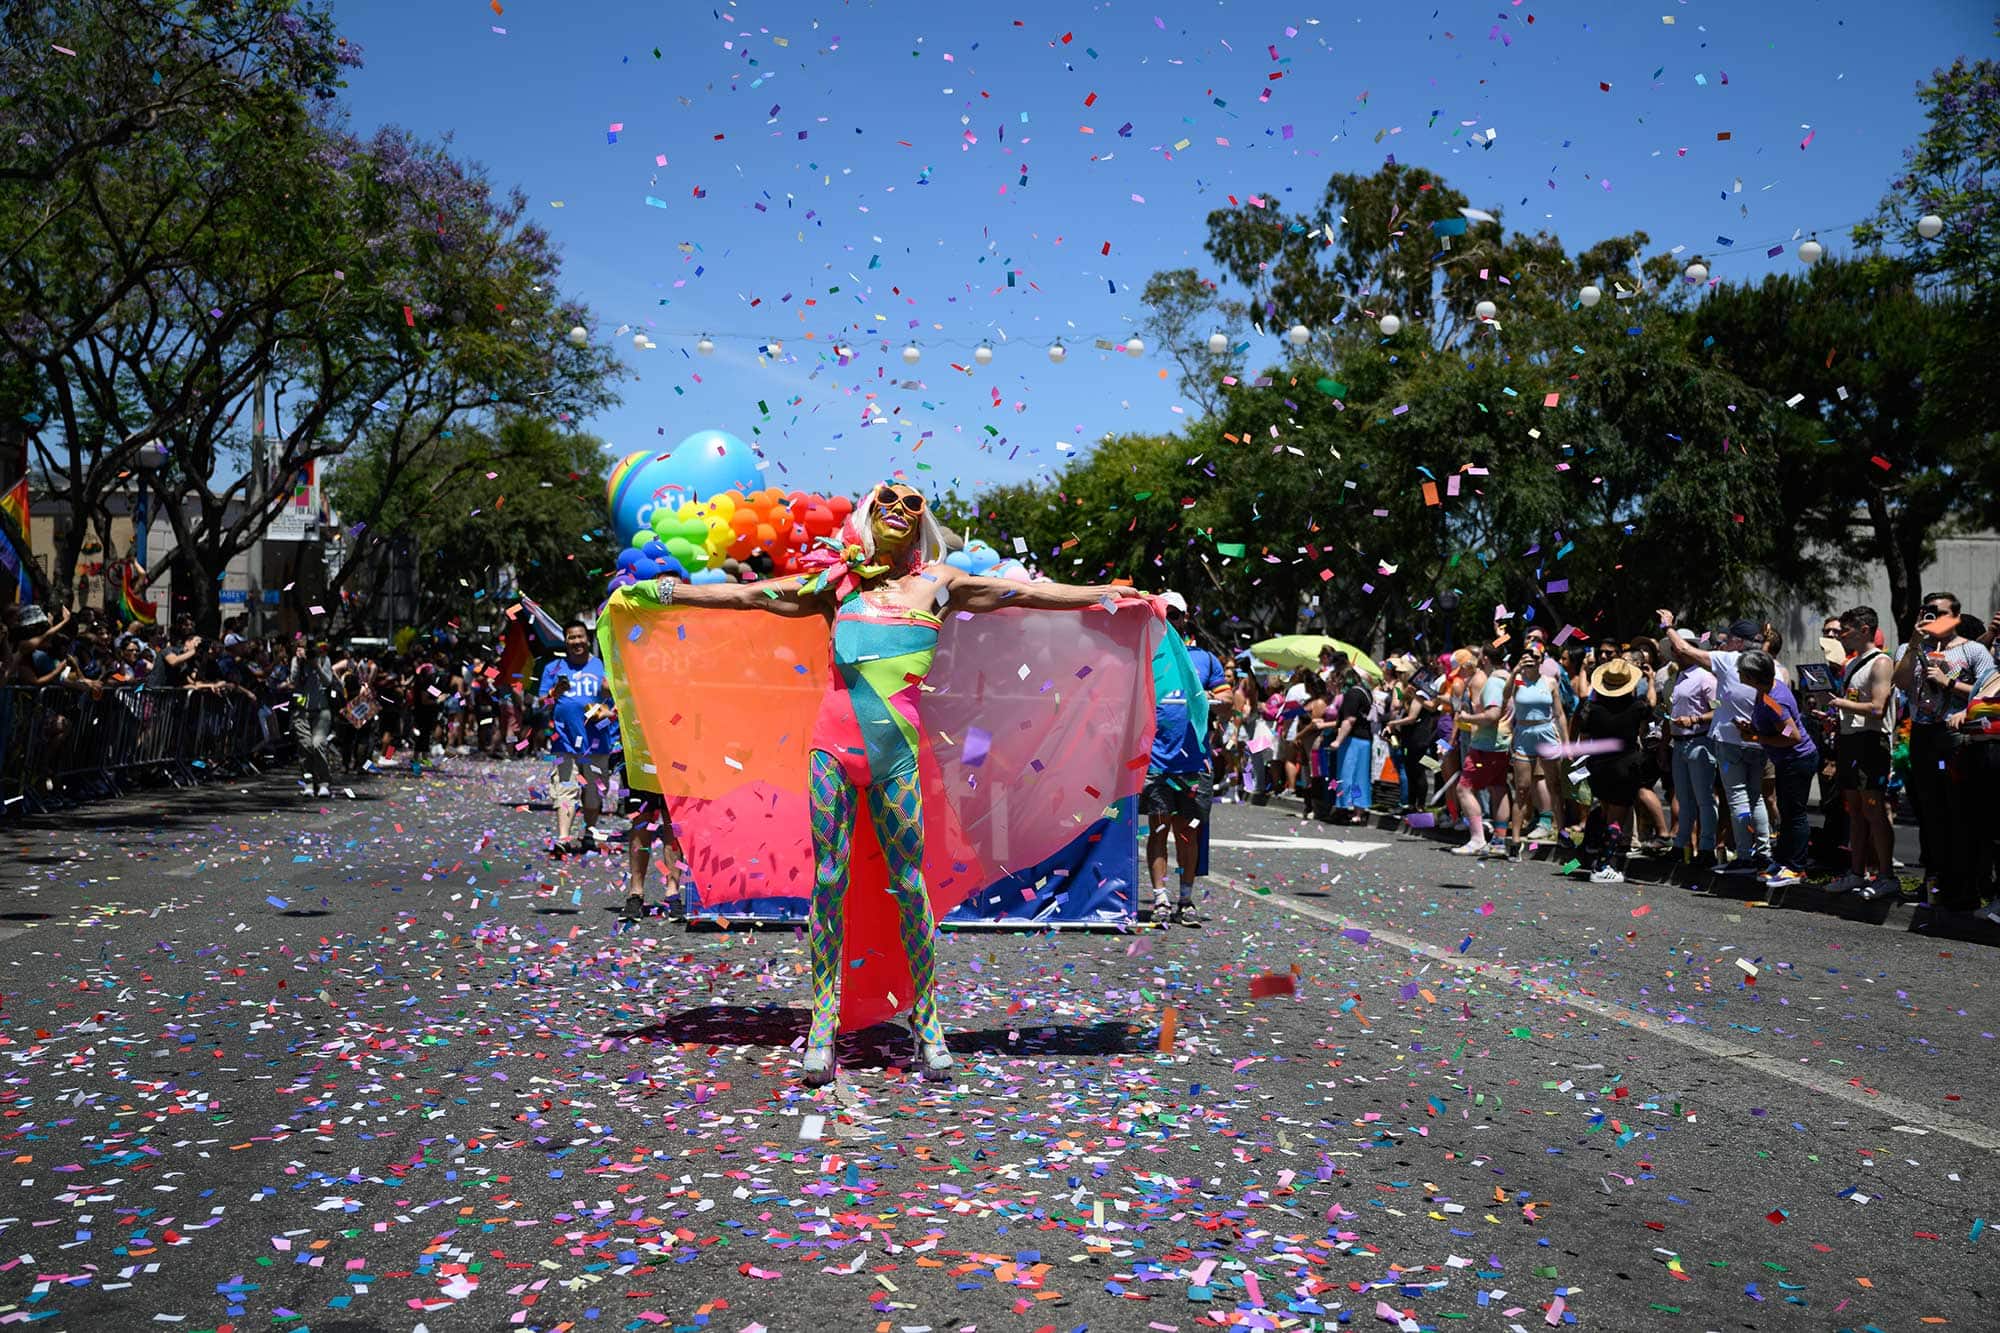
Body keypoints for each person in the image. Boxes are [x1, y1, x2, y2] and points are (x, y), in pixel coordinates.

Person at [616, 481, 1146, 1086]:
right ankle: (823, 1025)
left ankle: (928, 1025)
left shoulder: (940, 584)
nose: (896, 511)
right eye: (884, 501)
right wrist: (664, 591)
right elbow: (750, 596)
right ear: (868, 514)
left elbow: (1031, 592)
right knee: (830, 880)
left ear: (921, 522)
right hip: (832, 753)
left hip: (897, 759)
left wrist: (1113, 596)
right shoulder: (836, 584)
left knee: (909, 885)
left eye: (910, 504)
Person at [1892, 592, 1998, 910]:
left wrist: (1948, 681)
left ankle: (1966, 887)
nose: (1933, 618)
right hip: (1923, 735)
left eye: (1940, 613)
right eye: (1928, 612)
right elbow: (1899, 682)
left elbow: (1988, 694)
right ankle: (1935, 884)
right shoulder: (1912, 648)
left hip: (1954, 738)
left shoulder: (1972, 650)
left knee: (1959, 811)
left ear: (1955, 616)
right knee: (1929, 811)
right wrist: (1913, 642)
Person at [1659, 612, 1770, 871]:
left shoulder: (1729, 660)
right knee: (1756, 799)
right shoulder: (1766, 662)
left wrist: (1669, 626)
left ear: (1740, 642)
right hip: (1756, 740)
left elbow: (1683, 646)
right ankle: (1763, 852)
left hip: (1731, 742)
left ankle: (1743, 855)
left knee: (1739, 800)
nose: (1723, 643)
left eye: (1729, 639)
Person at [1142, 591, 1225, 925]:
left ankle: (1186, 900)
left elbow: (1228, 698)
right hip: (1158, 762)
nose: (1171, 620)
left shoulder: (1204, 659)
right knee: (1159, 832)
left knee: (1187, 835)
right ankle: (1161, 898)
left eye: (1176, 615)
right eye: (1165, 614)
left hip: (1193, 764)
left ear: (1186, 618)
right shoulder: (1147, 656)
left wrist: (1209, 700)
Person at [1822, 606, 1898, 901]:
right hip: (1851, 739)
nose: (1841, 635)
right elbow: (1853, 704)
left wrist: (1842, 704)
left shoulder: (1881, 662)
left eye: (1846, 629)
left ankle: (1887, 876)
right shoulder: (1853, 664)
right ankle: (1856, 873)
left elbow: (1878, 708)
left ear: (1864, 629)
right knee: (1854, 809)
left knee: (1873, 809)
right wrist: (1834, 712)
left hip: (1872, 741)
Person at [1737, 649, 1818, 889]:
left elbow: (1790, 734)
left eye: (1742, 672)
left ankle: (1796, 868)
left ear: (1752, 677)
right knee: (1786, 811)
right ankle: (1782, 861)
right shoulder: (1765, 692)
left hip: (1797, 759)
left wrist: (1760, 737)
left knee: (1795, 814)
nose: (1738, 673)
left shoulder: (1775, 699)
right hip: (1787, 760)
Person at [539, 620, 616, 855]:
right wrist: (555, 693)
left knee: (593, 793)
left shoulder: (603, 667)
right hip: (564, 742)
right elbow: (543, 704)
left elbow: (615, 706)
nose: (576, 642)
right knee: (565, 789)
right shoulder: (553, 668)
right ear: (566, 641)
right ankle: (563, 837)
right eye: (571, 638)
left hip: (597, 743)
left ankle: (590, 832)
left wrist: (605, 712)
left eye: (580, 637)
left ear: (587, 638)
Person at [1577, 656, 1648, 884]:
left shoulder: (1593, 709)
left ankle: (1597, 859)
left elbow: (1585, 738)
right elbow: (1651, 718)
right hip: (1624, 767)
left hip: (1599, 766)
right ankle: (1604, 865)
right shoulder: (1637, 707)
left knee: (1607, 812)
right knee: (1616, 820)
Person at [1502, 639, 1568, 854]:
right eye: (1527, 656)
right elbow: (1505, 695)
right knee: (1522, 788)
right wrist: (1516, 671)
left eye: (1536, 657)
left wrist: (1566, 741)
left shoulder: (1549, 682)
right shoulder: (1519, 680)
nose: (1531, 660)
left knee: (1555, 785)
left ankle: (1563, 832)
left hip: (1546, 732)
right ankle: (1515, 839)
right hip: (1524, 733)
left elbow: (1559, 714)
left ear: (1542, 660)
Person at [1451, 643, 1510, 856]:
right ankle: (1500, 842)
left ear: (1484, 659)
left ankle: (1477, 839)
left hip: (1486, 744)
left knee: (1463, 789)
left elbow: (1492, 715)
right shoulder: (1509, 679)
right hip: (1502, 743)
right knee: (1498, 788)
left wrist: (1468, 717)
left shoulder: (1493, 682)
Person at [1667, 652, 1719, 875]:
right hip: (1678, 743)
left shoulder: (1705, 677)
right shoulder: (1676, 677)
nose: (1676, 653)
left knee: (1704, 799)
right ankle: (1681, 845)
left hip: (1699, 741)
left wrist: (1695, 719)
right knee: (1684, 798)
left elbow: (1718, 709)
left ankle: (1707, 849)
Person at [1325, 652, 1375, 822]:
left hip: (1353, 740)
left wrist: (1337, 741)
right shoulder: (1365, 692)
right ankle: (1358, 812)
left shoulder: (1352, 695)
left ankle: (1343, 808)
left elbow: (1349, 719)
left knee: (1345, 775)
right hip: (1365, 739)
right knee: (1360, 777)